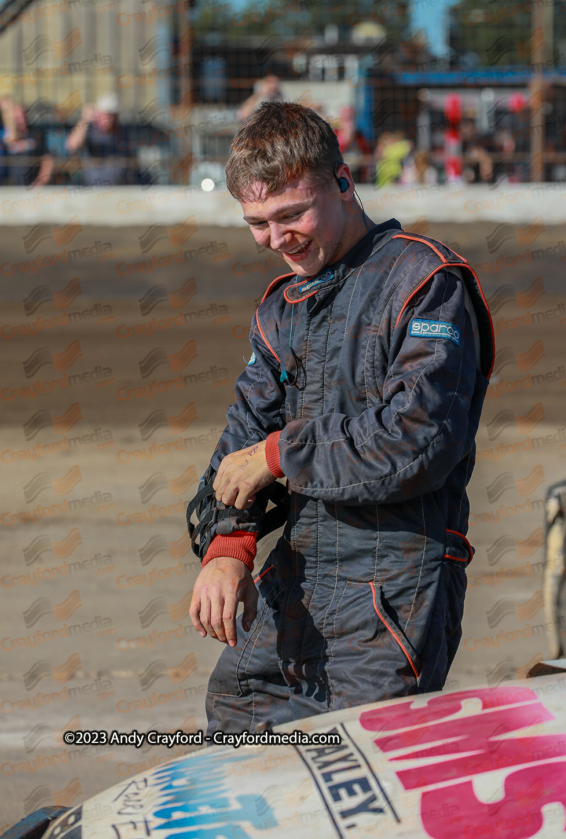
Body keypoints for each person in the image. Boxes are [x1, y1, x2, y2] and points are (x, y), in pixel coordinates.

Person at [187, 101, 494, 735]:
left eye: (292, 214)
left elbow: (416, 442)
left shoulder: (426, 280)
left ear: (344, 182)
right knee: (234, 719)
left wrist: (278, 456)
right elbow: (243, 434)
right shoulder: (282, 307)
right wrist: (228, 545)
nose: (277, 240)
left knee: (360, 773)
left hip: (395, 587)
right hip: (298, 575)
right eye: (258, 224)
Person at [65, 94, 136, 185]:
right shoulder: (89, 129)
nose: (108, 119)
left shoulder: (123, 132)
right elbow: (72, 145)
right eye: (105, 115)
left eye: (112, 116)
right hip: (92, 189)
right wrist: (84, 120)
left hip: (119, 189)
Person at [0, 96, 54, 187]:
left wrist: (40, 183)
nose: (20, 120)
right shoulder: (6, 137)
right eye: (16, 118)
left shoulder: (36, 136)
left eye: (22, 116)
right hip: (10, 190)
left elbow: (47, 161)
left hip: (33, 189)